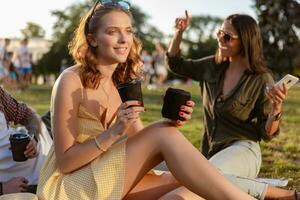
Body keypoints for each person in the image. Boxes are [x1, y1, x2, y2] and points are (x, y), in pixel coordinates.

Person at [36, 1, 254, 200]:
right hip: (71, 186)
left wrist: (173, 125)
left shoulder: (121, 82)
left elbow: (142, 143)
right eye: (112, 32)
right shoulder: (71, 80)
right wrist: (113, 132)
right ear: (92, 39)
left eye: (128, 31)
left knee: (194, 182)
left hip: (109, 174)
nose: (124, 40)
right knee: (166, 138)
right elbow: (65, 162)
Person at [166, 11, 299, 200]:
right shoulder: (211, 66)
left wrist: (275, 109)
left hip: (244, 149)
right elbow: (175, 64)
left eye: (227, 37)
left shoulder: (260, 79)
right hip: (210, 155)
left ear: (245, 42)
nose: (221, 39)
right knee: (176, 173)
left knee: (204, 179)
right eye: (220, 33)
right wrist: (179, 33)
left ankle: (286, 195)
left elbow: (267, 133)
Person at [0, 86, 52, 196]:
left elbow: (29, 115)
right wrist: (2, 189)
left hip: (47, 137)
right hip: (36, 181)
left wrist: (34, 138)